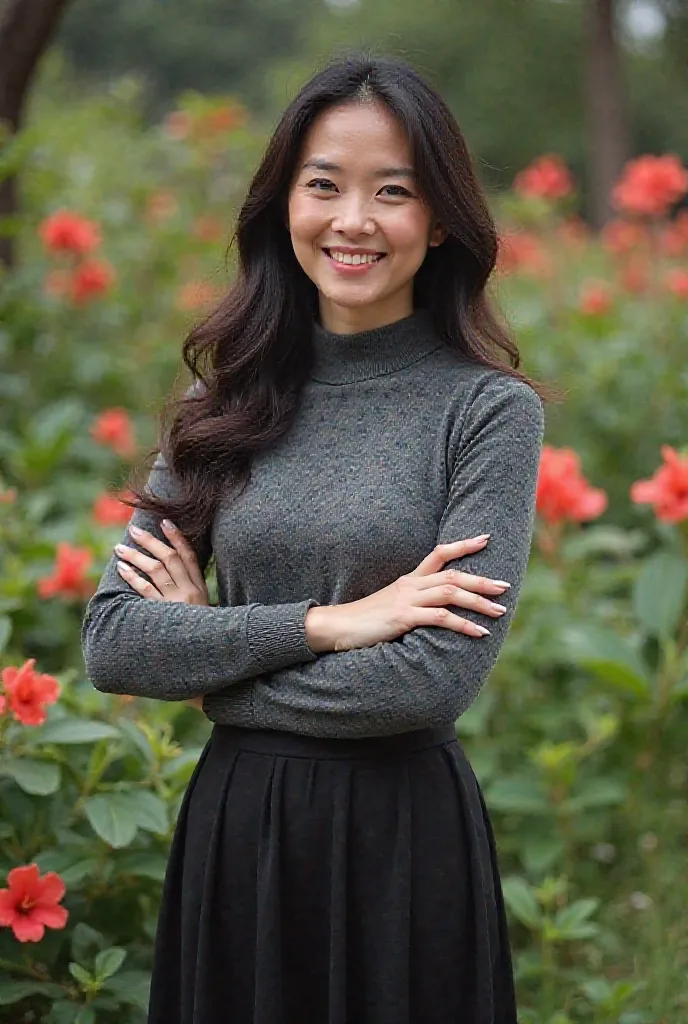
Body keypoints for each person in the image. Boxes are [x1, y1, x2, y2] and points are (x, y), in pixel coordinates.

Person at [81, 51, 553, 1024]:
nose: (352, 221)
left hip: (399, 847)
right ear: (280, 203)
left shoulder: (486, 412)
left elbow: (428, 679)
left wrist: (215, 671)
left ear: (438, 218)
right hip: (238, 834)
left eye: (392, 191)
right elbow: (116, 642)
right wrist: (334, 623)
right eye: (323, 185)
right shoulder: (216, 408)